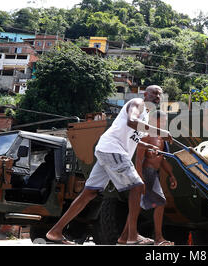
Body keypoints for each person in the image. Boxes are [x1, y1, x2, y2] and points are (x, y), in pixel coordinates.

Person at [46, 85, 172, 245]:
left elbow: (132, 137)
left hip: (108, 151)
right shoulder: (137, 103)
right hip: (114, 150)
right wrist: (160, 132)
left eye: (160, 95)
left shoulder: (146, 115)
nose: (157, 97)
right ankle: (131, 236)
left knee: (89, 193)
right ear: (145, 93)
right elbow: (131, 122)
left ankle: (55, 232)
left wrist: (148, 146)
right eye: (154, 93)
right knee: (138, 187)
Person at [134, 110, 177, 246]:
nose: (163, 124)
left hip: (154, 174)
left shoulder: (161, 139)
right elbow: (139, 159)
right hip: (145, 173)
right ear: (153, 121)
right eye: (161, 121)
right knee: (159, 202)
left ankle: (129, 235)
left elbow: (163, 160)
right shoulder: (146, 136)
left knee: (138, 205)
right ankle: (158, 238)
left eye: (165, 121)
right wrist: (140, 180)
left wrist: (171, 175)